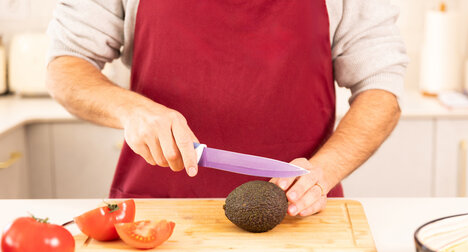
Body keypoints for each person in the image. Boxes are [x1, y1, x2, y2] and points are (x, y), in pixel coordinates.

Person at [46, 0, 408, 217]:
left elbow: (381, 88)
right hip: (156, 216)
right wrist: (130, 109)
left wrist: (323, 172)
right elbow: (66, 66)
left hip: (297, 215)